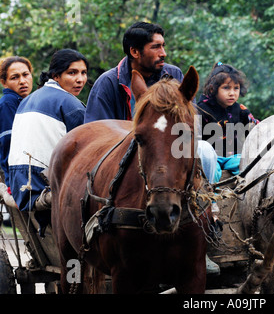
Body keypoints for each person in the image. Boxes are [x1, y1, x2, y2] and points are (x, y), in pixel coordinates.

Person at [84, 21, 218, 183]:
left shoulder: (174, 75)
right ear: (134, 51)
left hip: (172, 149)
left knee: (206, 151)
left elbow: (192, 122)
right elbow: (97, 136)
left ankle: (205, 202)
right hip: (125, 155)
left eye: (163, 46)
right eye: (156, 47)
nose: (163, 53)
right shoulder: (108, 83)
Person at [8, 49, 88, 233]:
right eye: (72, 73)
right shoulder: (71, 104)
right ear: (55, 76)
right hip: (41, 182)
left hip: (19, 181)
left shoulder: (28, 99)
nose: (80, 79)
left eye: (83, 73)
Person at [197, 62, 259, 182]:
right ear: (213, 89)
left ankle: (245, 195)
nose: (232, 93)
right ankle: (212, 197)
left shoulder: (240, 110)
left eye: (236, 88)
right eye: (226, 88)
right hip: (211, 158)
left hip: (233, 157)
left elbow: (257, 128)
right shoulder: (201, 110)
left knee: (248, 166)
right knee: (211, 172)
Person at [0, 56, 34, 189]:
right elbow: (8, 144)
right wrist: (12, 182)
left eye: (26, 75)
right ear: (4, 82)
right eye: (15, 77)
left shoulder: (25, 101)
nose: (22, 81)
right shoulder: (8, 102)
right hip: (20, 180)